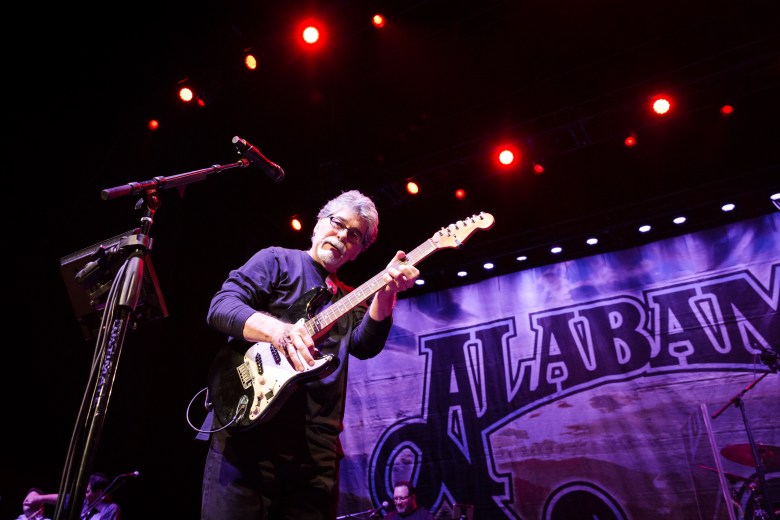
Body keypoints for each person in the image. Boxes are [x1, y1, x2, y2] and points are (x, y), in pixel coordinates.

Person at [200, 189, 420, 519]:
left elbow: (365, 345)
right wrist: (278, 331)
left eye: (355, 235)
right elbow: (221, 307)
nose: (343, 235)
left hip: (315, 454)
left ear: (357, 252)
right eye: (337, 223)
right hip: (247, 437)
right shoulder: (276, 260)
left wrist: (387, 291)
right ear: (318, 225)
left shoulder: (352, 299)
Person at [23, 473, 121, 520]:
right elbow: (63, 499)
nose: (83, 494)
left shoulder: (111, 509)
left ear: (99, 492)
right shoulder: (85, 501)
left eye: (87, 491)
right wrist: (38, 498)